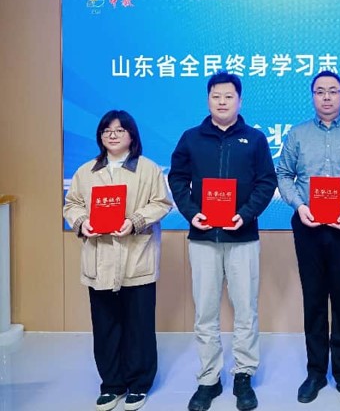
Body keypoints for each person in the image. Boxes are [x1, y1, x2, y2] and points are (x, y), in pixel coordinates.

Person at [168, 72, 277, 411]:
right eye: (216, 96)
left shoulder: (255, 139)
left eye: (229, 96)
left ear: (240, 101)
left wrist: (245, 214)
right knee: (205, 312)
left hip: (243, 237)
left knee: (246, 310)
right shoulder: (191, 138)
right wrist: (192, 213)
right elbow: (177, 178)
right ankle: (209, 378)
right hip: (203, 237)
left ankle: (243, 374)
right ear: (208, 100)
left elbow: (266, 182)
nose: (222, 101)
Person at [276, 70, 340, 411]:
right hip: (308, 226)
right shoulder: (298, 134)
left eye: (333, 91)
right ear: (312, 96)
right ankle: (316, 372)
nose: (326, 97)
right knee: (315, 300)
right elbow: (283, 174)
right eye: (320, 91)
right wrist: (299, 205)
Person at [63, 110, 173, 411]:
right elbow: (72, 204)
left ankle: (138, 384)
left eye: (119, 130)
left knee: (139, 326)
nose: (112, 135)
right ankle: (111, 385)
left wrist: (135, 221)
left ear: (131, 135)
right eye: (107, 130)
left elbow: (161, 203)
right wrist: (82, 222)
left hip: (137, 257)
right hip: (99, 259)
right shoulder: (86, 171)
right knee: (105, 326)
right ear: (100, 136)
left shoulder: (148, 169)